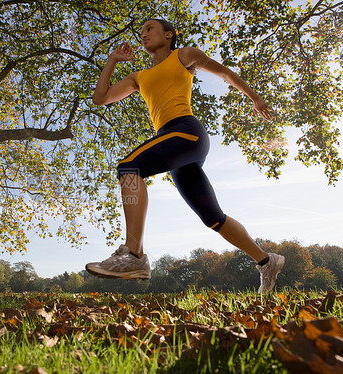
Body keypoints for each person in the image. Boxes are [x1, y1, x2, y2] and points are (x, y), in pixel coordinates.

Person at [85, 19, 285, 293]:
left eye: (149, 29)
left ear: (169, 35)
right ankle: (266, 260)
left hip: (187, 131)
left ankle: (134, 254)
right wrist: (113, 59)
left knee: (129, 166)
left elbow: (224, 73)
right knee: (213, 217)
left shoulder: (183, 56)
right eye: (141, 31)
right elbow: (101, 98)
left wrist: (254, 97)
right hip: (172, 143)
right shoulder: (138, 77)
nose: (143, 34)